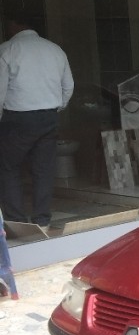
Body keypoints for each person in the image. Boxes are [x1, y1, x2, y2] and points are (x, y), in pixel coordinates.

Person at [0, 12, 74, 227]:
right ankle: (42, 220)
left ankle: (16, 221)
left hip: (17, 118)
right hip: (48, 117)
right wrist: (56, 107)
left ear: (15, 24)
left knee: (8, 167)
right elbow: (68, 86)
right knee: (43, 170)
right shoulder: (55, 50)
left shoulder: (7, 50)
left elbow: (0, 90)